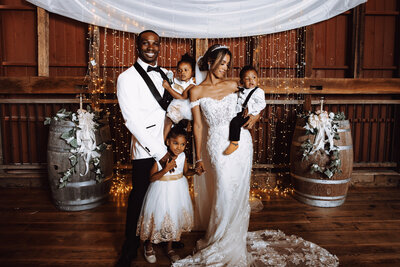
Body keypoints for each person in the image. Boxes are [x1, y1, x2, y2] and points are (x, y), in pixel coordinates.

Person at [173, 44, 339, 267]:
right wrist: (199, 158)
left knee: (239, 193)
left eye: (228, 64)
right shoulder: (196, 91)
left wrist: (257, 116)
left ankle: (235, 240)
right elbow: (199, 127)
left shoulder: (233, 85)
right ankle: (219, 238)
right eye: (222, 63)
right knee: (223, 190)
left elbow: (253, 99)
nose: (225, 68)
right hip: (216, 145)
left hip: (242, 143)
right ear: (210, 62)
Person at [115, 30, 174, 267]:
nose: (151, 47)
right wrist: (159, 151)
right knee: (139, 196)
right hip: (146, 147)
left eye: (155, 44)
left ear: (160, 47)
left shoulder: (167, 74)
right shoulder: (126, 78)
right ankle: (130, 246)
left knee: (165, 195)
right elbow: (131, 121)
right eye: (146, 43)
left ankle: (162, 237)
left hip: (170, 142)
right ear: (137, 46)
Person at [136, 124, 198, 263]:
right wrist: (165, 169)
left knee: (174, 217)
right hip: (161, 190)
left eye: (182, 144)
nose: (179, 147)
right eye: (175, 143)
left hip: (178, 190)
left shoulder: (182, 156)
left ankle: (169, 247)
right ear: (168, 142)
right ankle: (149, 245)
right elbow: (151, 178)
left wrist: (195, 171)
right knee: (157, 218)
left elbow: (186, 172)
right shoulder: (160, 157)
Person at [223, 65, 266, 155]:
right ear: (242, 81)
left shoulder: (258, 92)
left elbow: (262, 104)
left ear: (258, 79)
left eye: (254, 77)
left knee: (235, 122)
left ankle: (234, 143)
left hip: (248, 114)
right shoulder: (241, 90)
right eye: (247, 78)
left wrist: (250, 108)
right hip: (239, 112)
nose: (251, 80)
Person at [163, 53, 196, 139]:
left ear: (192, 72)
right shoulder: (176, 80)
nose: (182, 73)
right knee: (168, 123)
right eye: (179, 70)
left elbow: (182, 97)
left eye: (186, 70)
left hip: (184, 107)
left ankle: (167, 140)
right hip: (176, 106)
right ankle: (164, 140)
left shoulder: (191, 84)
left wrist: (168, 88)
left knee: (171, 122)